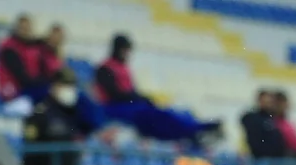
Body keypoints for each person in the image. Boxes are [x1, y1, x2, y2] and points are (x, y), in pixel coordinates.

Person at [93, 34, 222, 145]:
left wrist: (141, 99)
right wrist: (140, 99)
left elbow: (129, 93)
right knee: (157, 115)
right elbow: (115, 95)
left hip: (130, 106)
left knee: (166, 111)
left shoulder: (123, 68)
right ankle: (194, 129)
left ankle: (193, 128)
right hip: (114, 108)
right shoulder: (105, 68)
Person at [23, 69, 105, 165]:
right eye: (65, 85)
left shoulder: (73, 113)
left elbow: (94, 123)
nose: (69, 90)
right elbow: (31, 156)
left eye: (72, 86)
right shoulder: (40, 114)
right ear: (54, 87)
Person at [0, 14, 48, 113]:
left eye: (27, 28)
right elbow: (22, 77)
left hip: (27, 90)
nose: (25, 31)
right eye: (22, 28)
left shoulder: (33, 47)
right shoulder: (9, 48)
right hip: (14, 95)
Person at [241, 89, 286, 160]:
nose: (268, 103)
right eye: (265, 101)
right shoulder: (252, 118)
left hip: (275, 159)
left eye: (270, 102)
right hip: (260, 158)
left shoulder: (273, 118)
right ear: (259, 101)